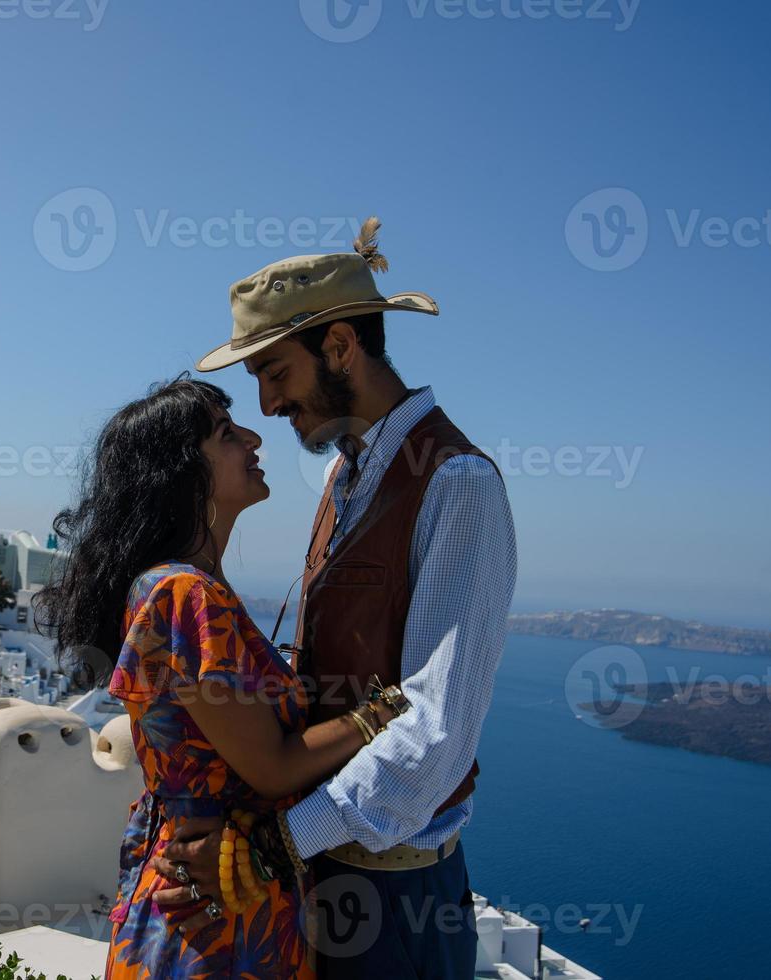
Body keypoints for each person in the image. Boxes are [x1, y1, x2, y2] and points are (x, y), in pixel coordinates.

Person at [154, 218, 517, 979]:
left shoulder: (457, 482)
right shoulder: (343, 476)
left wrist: (274, 843)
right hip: (322, 866)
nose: (265, 403)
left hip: (397, 891)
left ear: (342, 348)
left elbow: (436, 721)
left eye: (275, 371)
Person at [38, 377, 412, 979]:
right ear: (183, 473)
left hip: (215, 890)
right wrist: (381, 714)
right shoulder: (186, 595)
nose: (253, 437)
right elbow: (274, 765)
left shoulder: (174, 586)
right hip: (218, 918)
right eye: (227, 434)